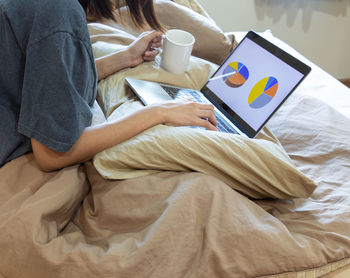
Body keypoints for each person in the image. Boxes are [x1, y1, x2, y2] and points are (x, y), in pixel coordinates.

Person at [0, 0, 217, 172]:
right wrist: (158, 113)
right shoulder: (56, 11)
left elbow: (50, 74)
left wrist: (125, 58)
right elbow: (51, 154)